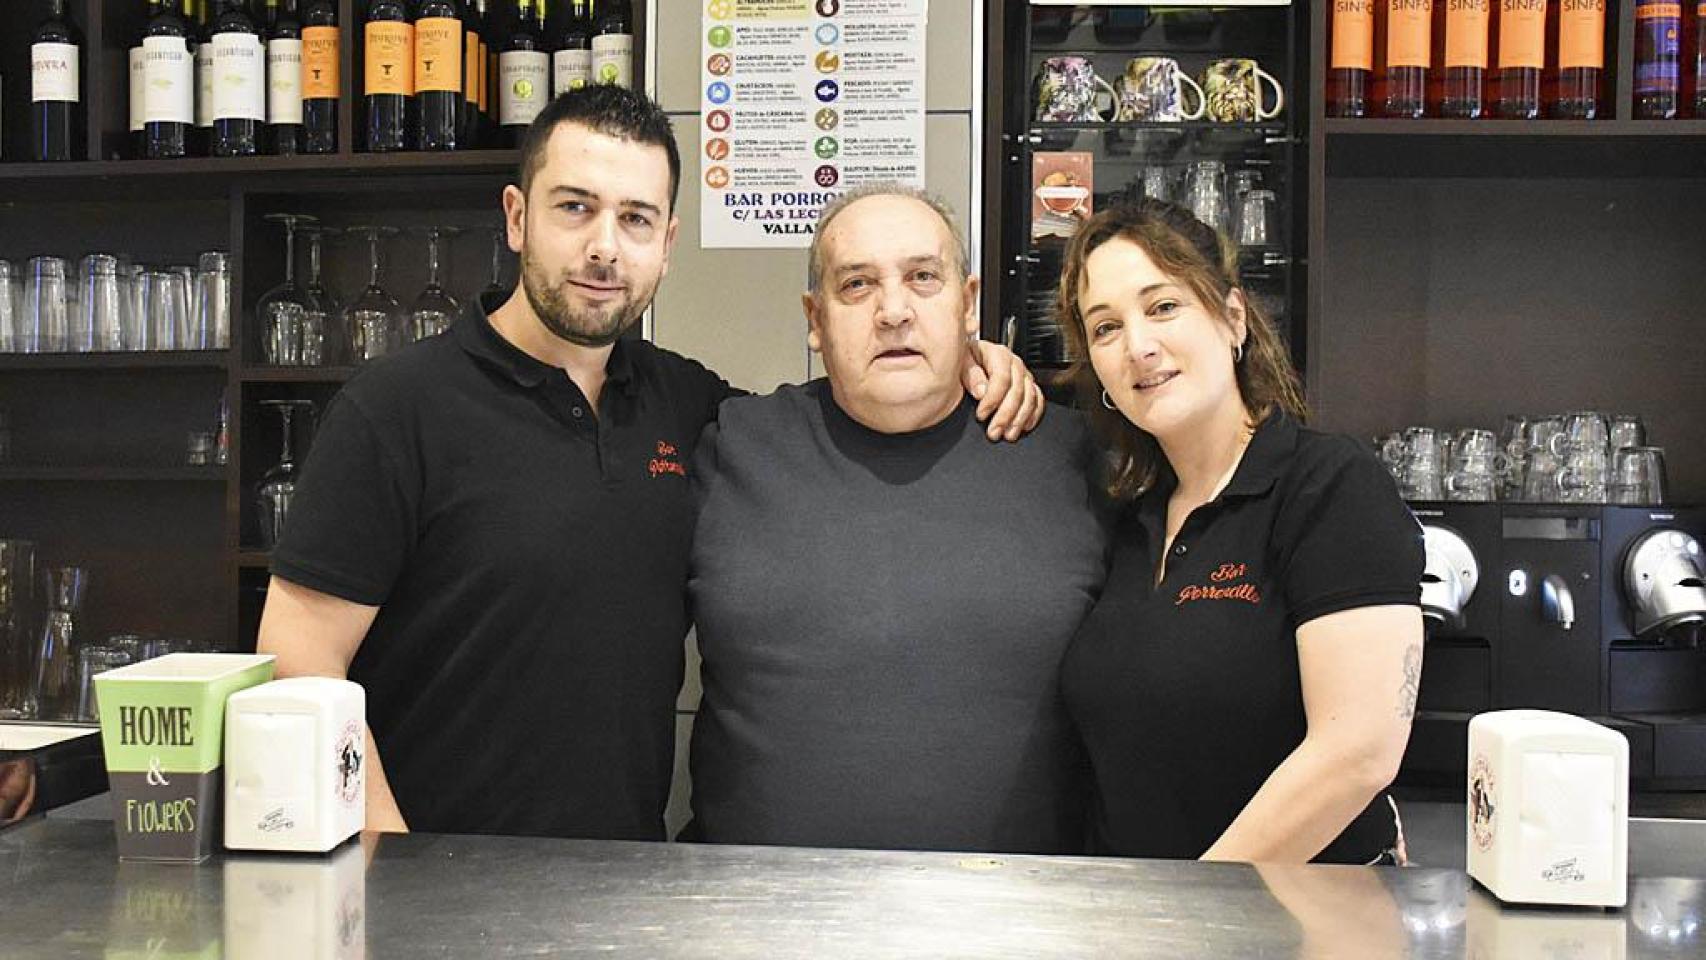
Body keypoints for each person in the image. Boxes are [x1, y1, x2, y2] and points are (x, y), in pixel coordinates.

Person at [255, 86, 1041, 840]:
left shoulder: (688, 405)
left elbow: (856, 393)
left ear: (666, 245)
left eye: (635, 218)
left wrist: (970, 362)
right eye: (575, 208)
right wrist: (383, 862)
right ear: (517, 217)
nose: (604, 246)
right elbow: (296, 667)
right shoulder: (396, 409)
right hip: (427, 886)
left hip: (618, 886)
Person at [686, 184, 1108, 854]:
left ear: (968, 304)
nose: (893, 311)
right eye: (856, 284)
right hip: (756, 920)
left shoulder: (1075, 458)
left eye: (923, 278)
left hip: (1022, 923)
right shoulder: (729, 442)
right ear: (814, 319)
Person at [1055, 199, 1425, 864]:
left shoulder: (1328, 485)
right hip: (1131, 918)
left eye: (1163, 307)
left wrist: (1196, 910)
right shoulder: (1128, 516)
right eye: (1105, 328)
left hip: (1295, 926)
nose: (1138, 346)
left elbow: (1359, 752)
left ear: (1232, 319)